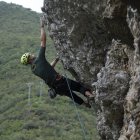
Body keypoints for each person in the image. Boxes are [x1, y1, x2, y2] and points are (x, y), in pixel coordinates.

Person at [20, 17, 94, 108]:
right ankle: (90, 95)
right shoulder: (39, 59)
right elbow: (43, 41)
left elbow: (48, 69)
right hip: (60, 80)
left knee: (72, 96)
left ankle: (85, 104)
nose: (32, 54)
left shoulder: (33, 70)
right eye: (30, 55)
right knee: (78, 87)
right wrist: (42, 27)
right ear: (29, 59)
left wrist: (56, 59)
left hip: (57, 89)